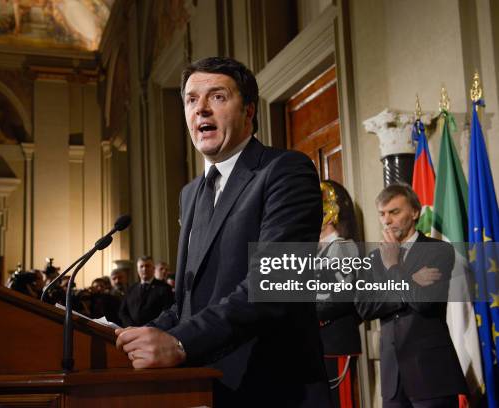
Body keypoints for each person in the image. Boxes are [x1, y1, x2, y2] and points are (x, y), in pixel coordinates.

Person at [115, 57, 329, 407]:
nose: (200, 109)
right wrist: (133, 337)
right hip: (206, 388)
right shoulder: (191, 193)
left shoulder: (285, 171)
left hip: (274, 388)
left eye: (216, 97)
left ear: (248, 110)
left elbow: (271, 286)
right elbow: (188, 302)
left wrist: (180, 343)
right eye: (190, 99)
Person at [355, 184, 467, 407]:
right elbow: (364, 307)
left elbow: (423, 303)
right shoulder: (375, 257)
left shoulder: (439, 250)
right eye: (382, 214)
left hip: (432, 374)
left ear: (415, 213)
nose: (387, 220)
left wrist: (394, 266)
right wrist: (412, 281)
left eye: (394, 212)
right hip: (392, 378)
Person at [315, 180, 362, 406]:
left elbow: (339, 297)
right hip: (317, 343)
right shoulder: (318, 251)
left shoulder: (342, 247)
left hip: (335, 342)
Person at [119, 256, 174, 327]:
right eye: (141, 266)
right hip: (131, 330)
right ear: (137, 270)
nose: (144, 269)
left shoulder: (164, 288)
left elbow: (166, 311)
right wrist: (131, 326)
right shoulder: (131, 289)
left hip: (153, 331)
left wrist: (149, 327)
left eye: (147, 266)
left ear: (153, 269)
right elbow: (122, 312)